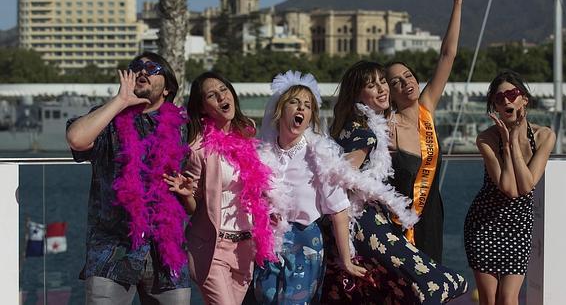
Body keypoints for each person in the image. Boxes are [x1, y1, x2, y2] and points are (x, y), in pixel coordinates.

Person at [320, 60, 468, 304]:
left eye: (382, 82)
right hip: (363, 223)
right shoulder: (364, 135)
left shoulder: (362, 128)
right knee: (437, 284)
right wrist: (346, 250)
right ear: (358, 95)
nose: (382, 89)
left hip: (361, 222)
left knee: (373, 292)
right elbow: (337, 184)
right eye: (372, 85)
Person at [66, 52, 192, 305]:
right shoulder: (109, 120)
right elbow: (76, 139)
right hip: (112, 253)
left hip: (166, 256)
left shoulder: (182, 126)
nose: (142, 71)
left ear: (167, 88)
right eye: (136, 67)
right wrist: (121, 100)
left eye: (152, 68)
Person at [247, 71, 366, 304]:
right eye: (294, 102)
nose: (301, 108)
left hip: (305, 243)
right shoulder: (261, 154)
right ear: (280, 110)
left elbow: (339, 211)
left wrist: (346, 259)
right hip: (267, 243)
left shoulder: (319, 155)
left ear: (311, 116)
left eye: (307, 105)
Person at [164, 71, 276, 305]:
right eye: (212, 95)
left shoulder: (247, 135)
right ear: (203, 107)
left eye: (223, 90)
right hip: (213, 248)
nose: (221, 97)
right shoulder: (199, 149)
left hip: (246, 249)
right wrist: (186, 195)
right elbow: (193, 207)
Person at [384, 0, 462, 263]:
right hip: (398, 223)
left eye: (408, 75)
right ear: (389, 93)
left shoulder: (427, 108)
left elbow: (447, 55)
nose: (406, 83)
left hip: (431, 219)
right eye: (396, 81)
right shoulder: (385, 129)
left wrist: (457, 4)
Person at [464, 70, 555, 305]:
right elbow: (509, 188)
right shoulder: (486, 139)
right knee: (490, 299)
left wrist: (514, 141)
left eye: (512, 94)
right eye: (498, 98)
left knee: (508, 298)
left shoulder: (544, 136)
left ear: (524, 99)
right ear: (494, 106)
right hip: (485, 222)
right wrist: (507, 142)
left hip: (519, 224)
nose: (506, 100)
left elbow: (526, 185)